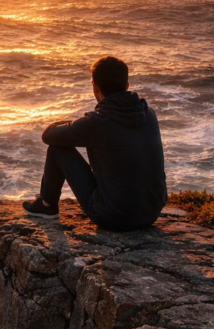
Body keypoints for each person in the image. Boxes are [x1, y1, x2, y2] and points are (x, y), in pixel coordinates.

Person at [23, 55, 167, 230]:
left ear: (95, 88)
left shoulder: (96, 123)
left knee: (56, 150)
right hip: (152, 214)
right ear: (127, 85)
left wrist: (77, 123)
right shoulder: (149, 114)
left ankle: (46, 206)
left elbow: (48, 136)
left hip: (112, 217)